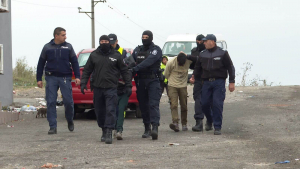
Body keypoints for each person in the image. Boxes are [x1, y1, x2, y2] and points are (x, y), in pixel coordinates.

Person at [80, 35, 132, 144]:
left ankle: (109, 131)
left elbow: (125, 71)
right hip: (98, 88)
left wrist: (128, 85)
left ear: (109, 42)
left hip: (111, 88)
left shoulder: (116, 55)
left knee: (110, 110)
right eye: (102, 41)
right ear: (99, 42)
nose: (104, 43)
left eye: (106, 41)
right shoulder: (94, 55)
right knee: (100, 111)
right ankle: (103, 129)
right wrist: (83, 83)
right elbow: (87, 70)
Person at [36, 27, 80, 134]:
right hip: (51, 78)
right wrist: (39, 79)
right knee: (51, 101)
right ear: (56, 36)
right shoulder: (47, 47)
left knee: (68, 102)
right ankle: (52, 126)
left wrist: (78, 77)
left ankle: (70, 120)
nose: (65, 37)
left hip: (65, 77)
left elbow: (74, 62)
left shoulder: (68, 47)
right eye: (63, 35)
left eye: (65, 35)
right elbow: (41, 63)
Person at [193, 34, 235, 135]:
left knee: (217, 104)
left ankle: (217, 127)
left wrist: (231, 81)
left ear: (212, 42)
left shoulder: (222, 53)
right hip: (206, 82)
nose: (204, 43)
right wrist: (194, 76)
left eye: (205, 41)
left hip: (219, 82)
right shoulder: (202, 54)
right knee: (204, 103)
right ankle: (210, 120)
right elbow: (198, 68)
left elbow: (230, 67)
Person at [132, 30, 162, 140]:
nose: (144, 39)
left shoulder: (156, 50)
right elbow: (131, 61)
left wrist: (136, 68)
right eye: (143, 37)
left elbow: (149, 61)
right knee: (143, 105)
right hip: (141, 81)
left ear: (151, 38)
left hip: (153, 80)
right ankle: (147, 128)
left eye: (146, 37)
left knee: (153, 104)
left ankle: (155, 127)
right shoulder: (137, 50)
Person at [108, 33, 132, 140]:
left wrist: (128, 85)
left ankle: (119, 130)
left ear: (116, 41)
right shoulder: (105, 53)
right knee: (112, 109)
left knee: (121, 109)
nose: (111, 45)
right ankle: (111, 129)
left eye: (113, 43)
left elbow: (131, 65)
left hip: (123, 86)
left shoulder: (123, 52)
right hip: (111, 86)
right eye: (110, 43)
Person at [164, 53, 193, 132]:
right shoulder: (171, 62)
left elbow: (197, 61)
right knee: (174, 104)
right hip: (172, 85)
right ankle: (175, 123)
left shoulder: (189, 61)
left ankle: (184, 124)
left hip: (183, 86)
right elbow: (166, 74)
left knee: (184, 105)